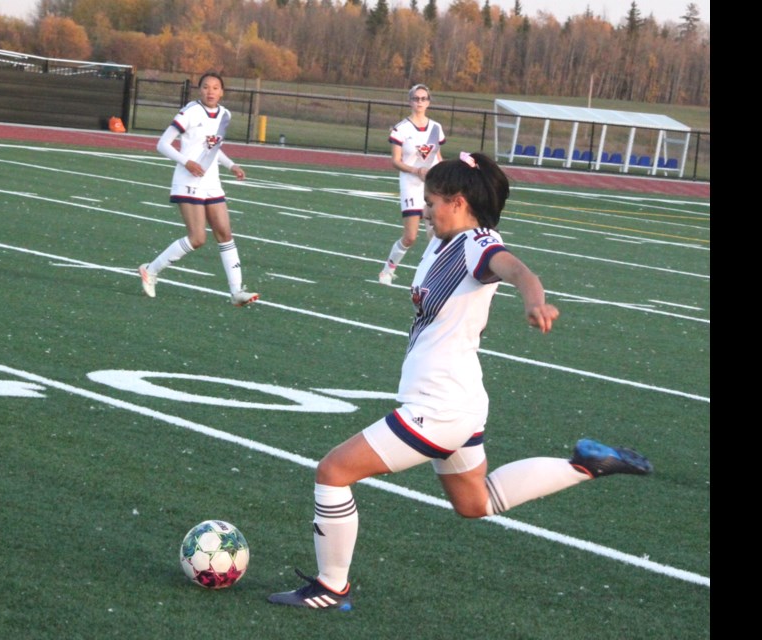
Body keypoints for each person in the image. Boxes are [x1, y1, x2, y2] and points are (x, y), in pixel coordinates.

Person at [268, 152, 653, 611]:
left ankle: (331, 588)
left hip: (440, 405)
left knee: (333, 472)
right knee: (475, 502)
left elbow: (518, 270)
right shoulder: (442, 241)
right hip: (461, 399)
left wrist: (535, 302)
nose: (425, 211)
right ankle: (585, 464)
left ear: (458, 201)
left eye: (431, 202)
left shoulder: (477, 243)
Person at [139, 71, 259, 306]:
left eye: (215, 87)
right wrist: (187, 162)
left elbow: (213, 147)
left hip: (211, 182)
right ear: (199, 90)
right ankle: (150, 270)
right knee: (197, 238)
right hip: (188, 181)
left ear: (222, 92)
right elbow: (162, 144)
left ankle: (236, 292)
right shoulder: (191, 112)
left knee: (225, 233)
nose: (210, 91)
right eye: (205, 87)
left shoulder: (225, 115)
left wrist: (231, 165)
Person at [378, 84, 445, 286]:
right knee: (410, 237)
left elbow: (437, 156)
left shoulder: (436, 127)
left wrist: (444, 174)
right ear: (410, 101)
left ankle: (433, 276)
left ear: (429, 102)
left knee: (437, 234)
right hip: (411, 185)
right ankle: (387, 270)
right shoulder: (402, 129)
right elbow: (396, 161)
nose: (419, 102)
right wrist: (417, 171)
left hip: (431, 187)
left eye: (423, 98)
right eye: (416, 98)